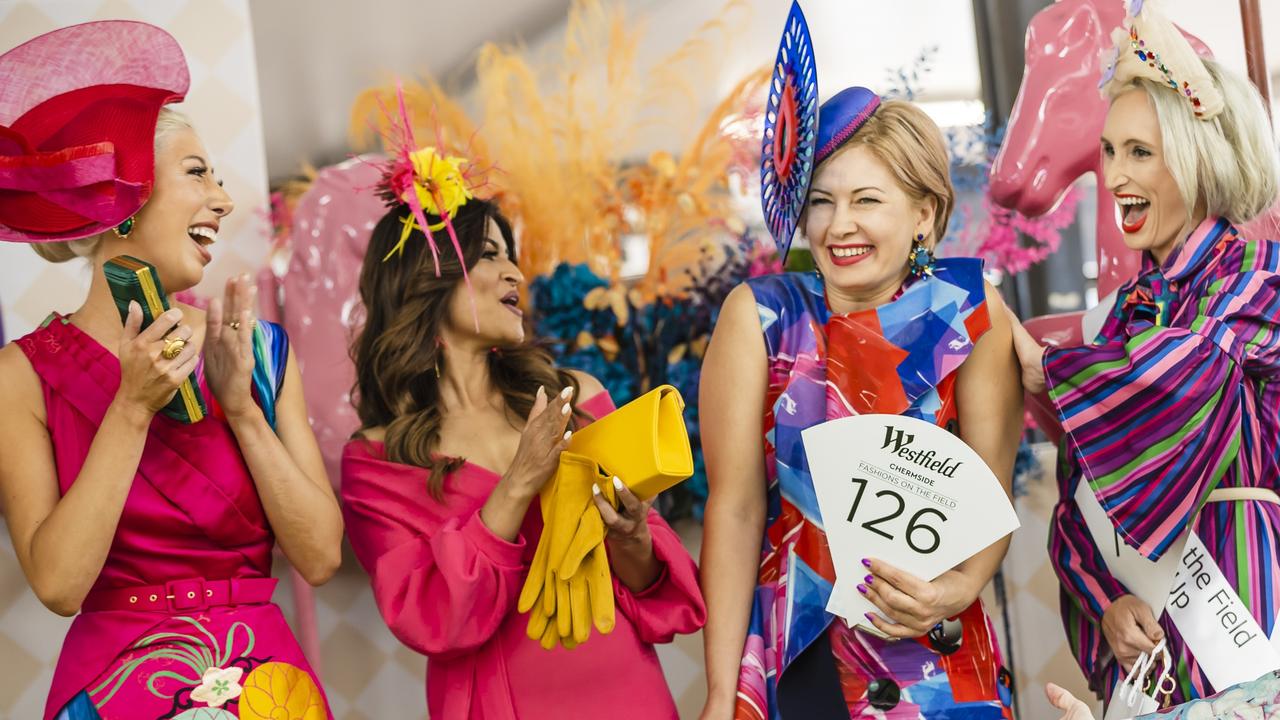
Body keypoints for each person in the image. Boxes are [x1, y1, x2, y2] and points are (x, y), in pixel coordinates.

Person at [0, 21, 342, 720]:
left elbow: (322, 557)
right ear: (120, 200)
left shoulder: (258, 348)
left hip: (267, 690)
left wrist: (241, 406)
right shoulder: (20, 376)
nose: (222, 200)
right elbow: (60, 585)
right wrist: (130, 408)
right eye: (197, 174)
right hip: (115, 690)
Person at [339, 134, 706, 719]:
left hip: (629, 693)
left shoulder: (577, 399)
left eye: (511, 254)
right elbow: (430, 617)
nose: (515, 271)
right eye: (489, 254)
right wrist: (519, 481)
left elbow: (654, 586)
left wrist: (633, 535)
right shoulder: (379, 459)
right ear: (424, 278)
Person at [697, 74, 1025, 720]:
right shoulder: (761, 316)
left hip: (933, 649)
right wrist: (719, 694)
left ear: (924, 213)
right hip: (801, 645)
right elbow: (733, 512)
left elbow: (993, 495)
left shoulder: (973, 313)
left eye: (867, 200)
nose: (838, 225)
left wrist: (957, 588)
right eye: (821, 202)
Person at [1007, 0, 1280, 706]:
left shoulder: (1259, 282)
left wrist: (1049, 369)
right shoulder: (1117, 321)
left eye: (1140, 153)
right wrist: (1104, 599)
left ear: (1197, 158)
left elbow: (1188, 377)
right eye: (1109, 150)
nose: (1116, 175)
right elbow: (1079, 490)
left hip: (1253, 601)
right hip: (1157, 638)